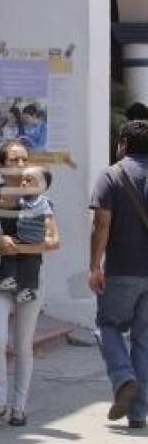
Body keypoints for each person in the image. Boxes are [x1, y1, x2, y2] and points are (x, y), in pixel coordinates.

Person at [0, 140, 60, 427]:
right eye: (13, 160)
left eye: (23, 160)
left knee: (23, 344)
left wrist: (20, 249)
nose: (19, 166)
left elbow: (54, 241)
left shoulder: (40, 197)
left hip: (31, 277)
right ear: (0, 166)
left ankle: (19, 407)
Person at [90, 120, 148, 430]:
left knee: (106, 325)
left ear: (123, 143)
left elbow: (101, 223)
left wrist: (94, 265)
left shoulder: (112, 175)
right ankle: (138, 414)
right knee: (144, 340)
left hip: (123, 269)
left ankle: (123, 376)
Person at [0, 165, 54, 303]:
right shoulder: (22, 201)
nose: (24, 183)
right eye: (23, 180)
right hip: (20, 238)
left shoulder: (44, 203)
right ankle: (10, 279)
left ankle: (28, 290)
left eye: (29, 180)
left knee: (32, 264)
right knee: (9, 254)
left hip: (34, 242)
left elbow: (50, 229)